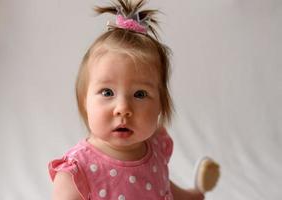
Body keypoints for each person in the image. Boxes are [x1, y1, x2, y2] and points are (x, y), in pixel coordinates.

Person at [48, 0, 205, 199]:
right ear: (84, 101)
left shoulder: (156, 148)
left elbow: (164, 187)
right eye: (107, 93)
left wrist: (191, 196)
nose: (123, 108)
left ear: (160, 105)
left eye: (140, 94)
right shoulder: (78, 173)